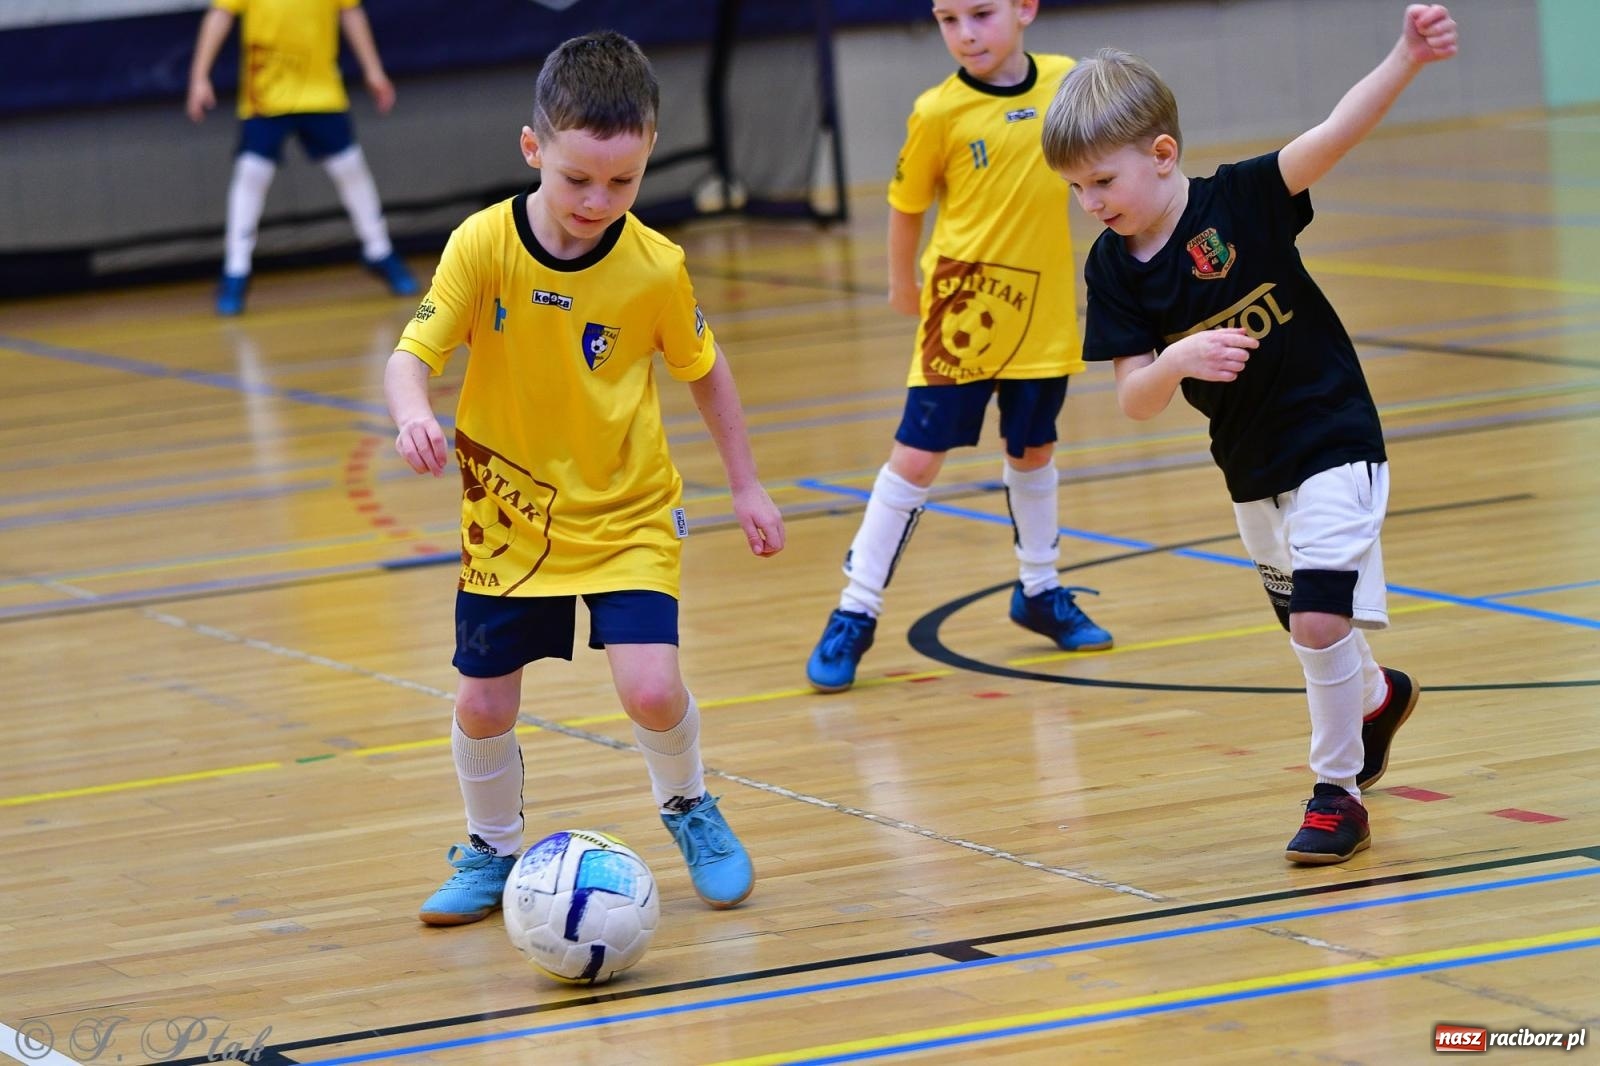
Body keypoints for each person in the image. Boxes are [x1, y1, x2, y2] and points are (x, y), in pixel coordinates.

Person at [384, 31, 785, 925]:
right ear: (534, 150)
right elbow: (412, 355)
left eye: (624, 182)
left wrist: (746, 484)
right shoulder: (482, 245)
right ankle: (491, 847)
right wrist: (414, 413)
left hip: (629, 509)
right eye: (577, 180)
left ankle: (689, 805)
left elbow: (706, 370)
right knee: (483, 701)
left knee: (649, 686)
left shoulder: (655, 268)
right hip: (511, 519)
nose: (599, 201)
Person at [1042, 4, 1457, 863]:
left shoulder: (1245, 200)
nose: (1090, 204)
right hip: (1248, 464)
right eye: (1076, 189)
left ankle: (1336, 795)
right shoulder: (1112, 269)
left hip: (1335, 434)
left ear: (1162, 155)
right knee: (1316, 633)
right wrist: (1177, 360)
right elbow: (1134, 400)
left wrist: (1406, 55)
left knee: (1315, 624)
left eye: (1103, 183)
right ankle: (1378, 699)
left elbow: (1338, 131)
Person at [804, 0, 1112, 694]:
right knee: (915, 457)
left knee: (1033, 450)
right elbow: (906, 204)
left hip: (1044, 311)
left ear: (1024, 8)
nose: (965, 33)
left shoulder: (1067, 84)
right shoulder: (937, 111)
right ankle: (855, 610)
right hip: (961, 311)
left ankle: (1039, 590)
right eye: (948, 19)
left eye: (980, 13)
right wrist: (898, 282)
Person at [186, 0, 418, 315]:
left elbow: (351, 13)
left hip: (320, 91)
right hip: (266, 93)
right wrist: (200, 76)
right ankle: (236, 271)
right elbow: (219, 15)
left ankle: (379, 251)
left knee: (350, 168)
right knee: (252, 174)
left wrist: (373, 70)